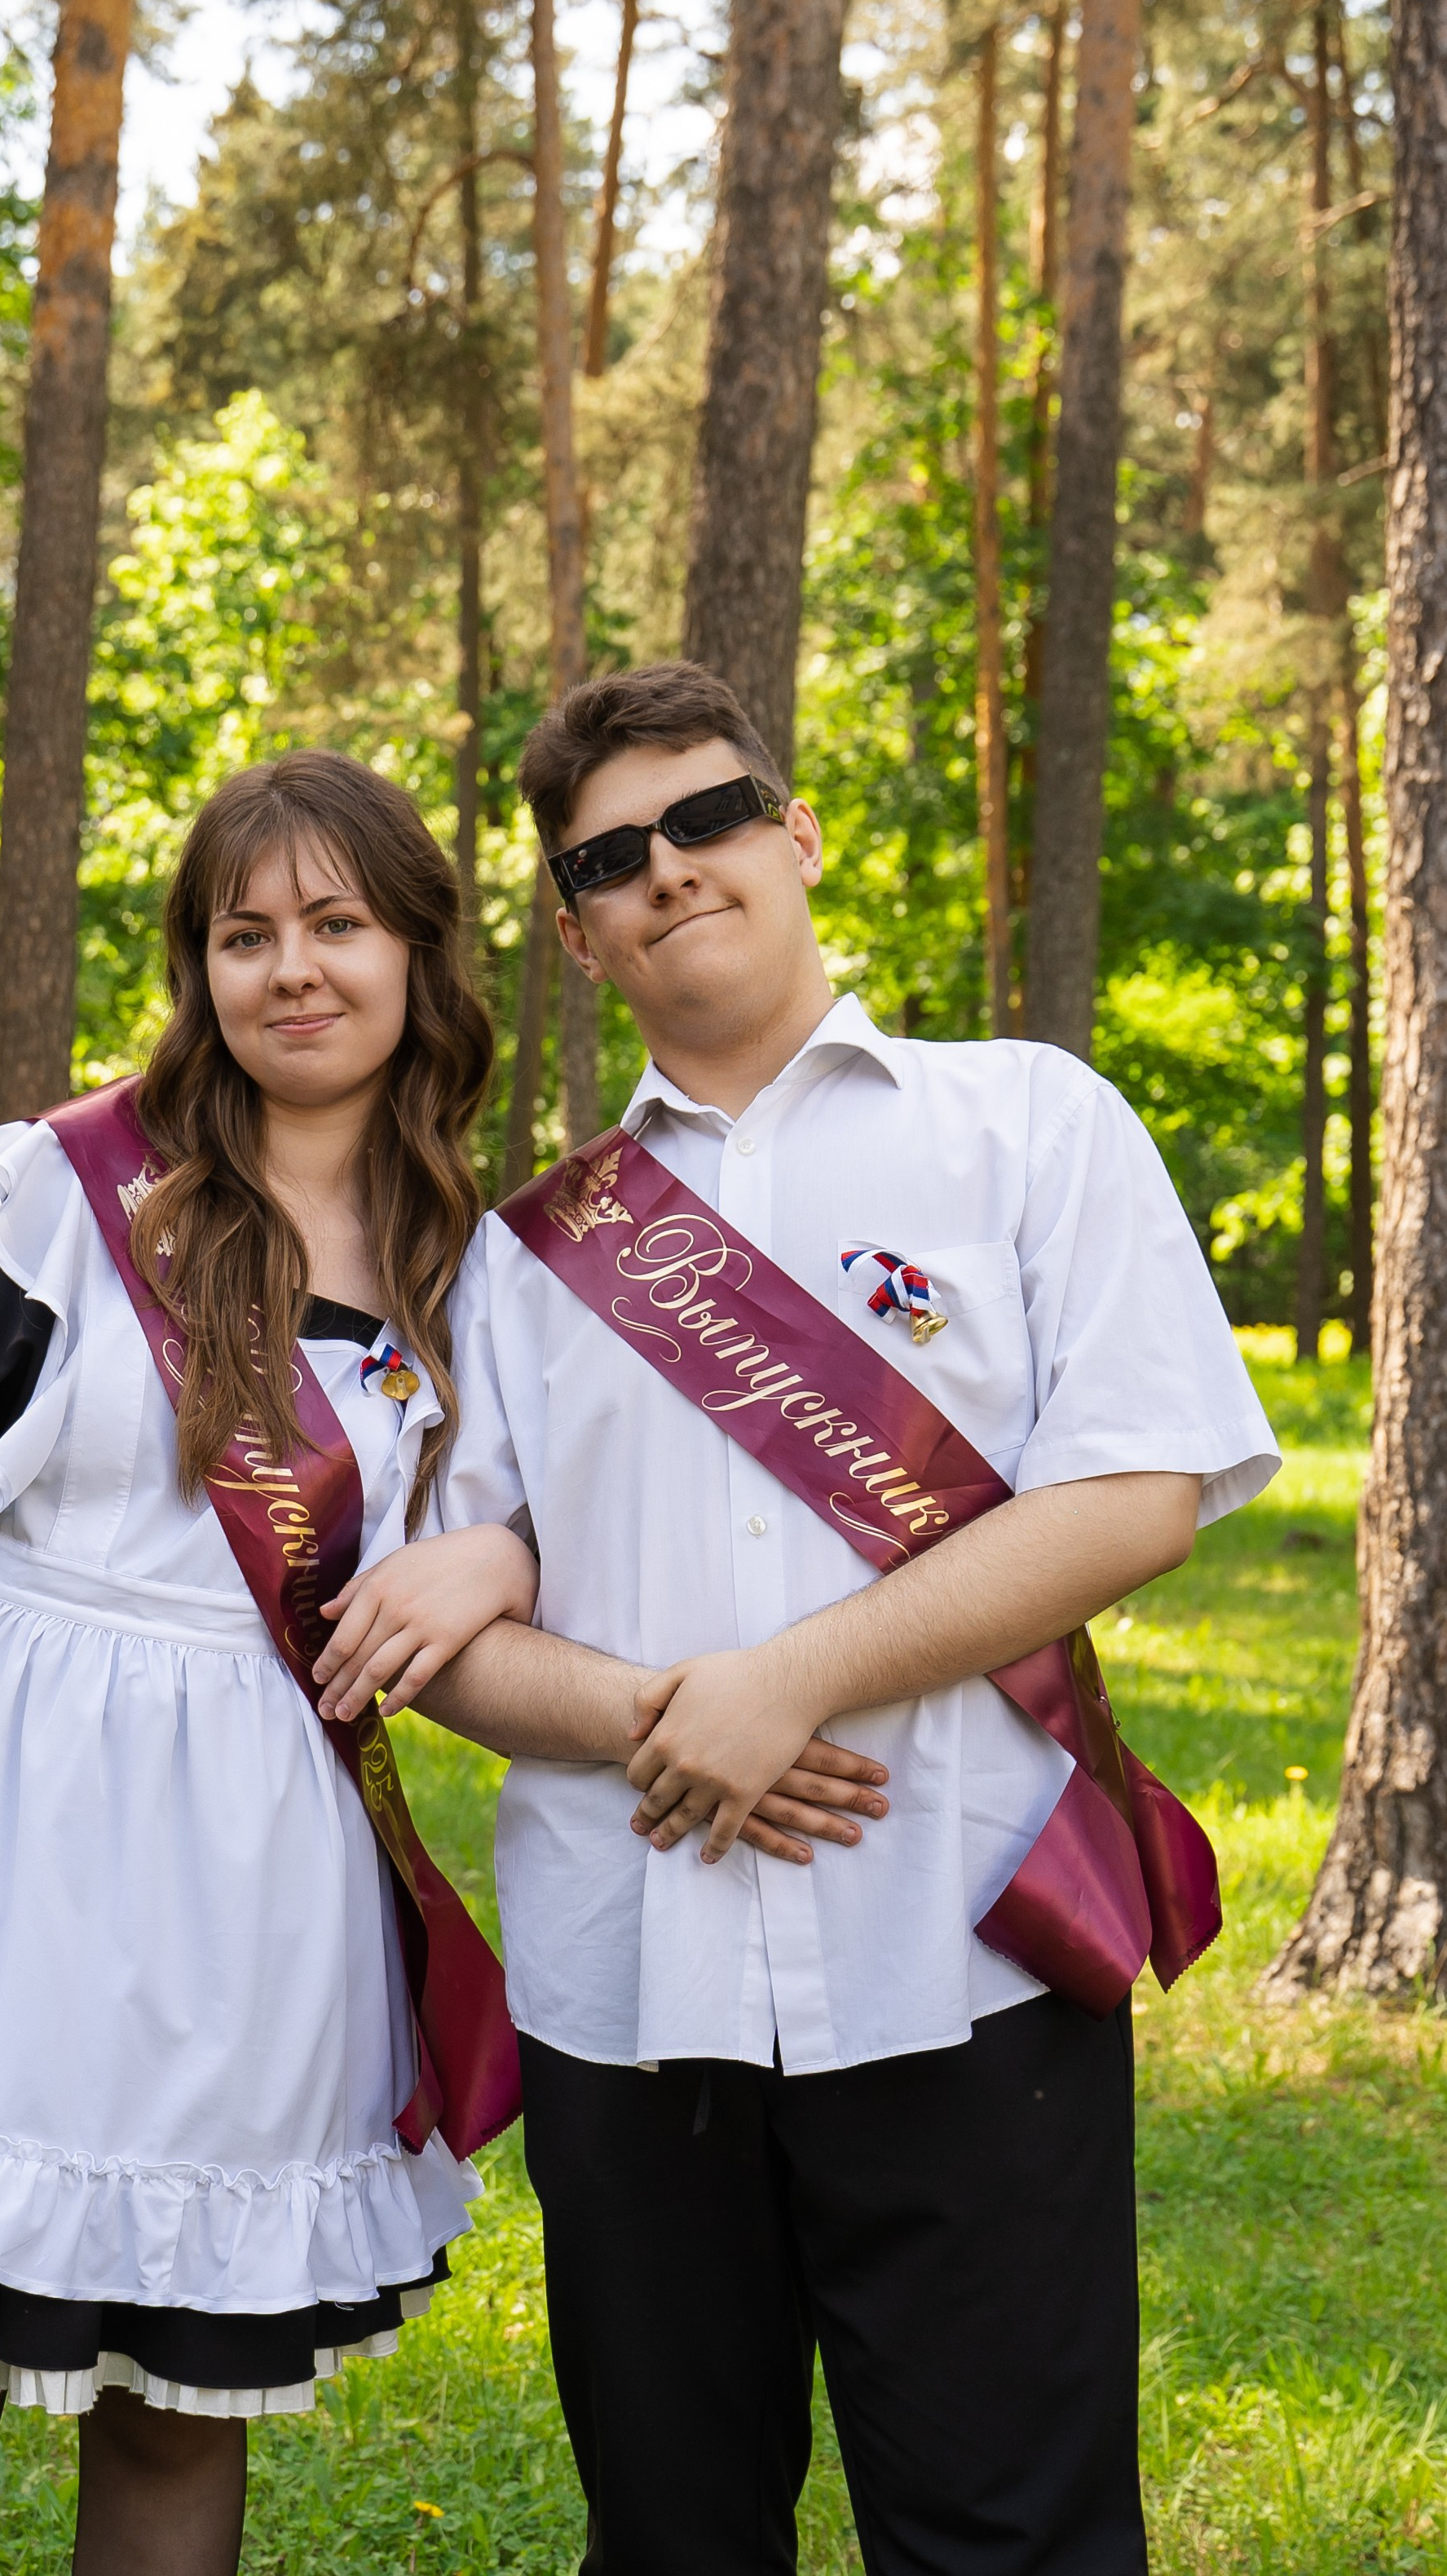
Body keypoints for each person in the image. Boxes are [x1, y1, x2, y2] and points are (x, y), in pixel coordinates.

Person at [403, 661, 1282, 2576]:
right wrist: (665, 1710)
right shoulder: (529, 1253)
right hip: (624, 1982)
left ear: (793, 835)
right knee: (673, 2534)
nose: (672, 869)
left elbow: (1140, 1492)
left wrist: (788, 1681)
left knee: (1010, 2536)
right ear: (578, 930)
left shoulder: (1026, 1124)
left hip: (956, 1946)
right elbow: (439, 1627)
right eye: (613, 856)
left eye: (709, 817)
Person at [0, 754, 549, 2575]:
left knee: (172, 2432)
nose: (291, 970)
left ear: (416, 954)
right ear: (198, 969)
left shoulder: (475, 1277)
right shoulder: (45, 1201)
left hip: (248, 1895)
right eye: (244, 934)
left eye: (337, 924)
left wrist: (494, 1546)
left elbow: (535, 1530)